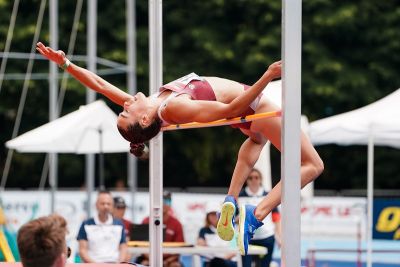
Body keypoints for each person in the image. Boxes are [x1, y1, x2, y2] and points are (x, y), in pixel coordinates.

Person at [36, 42, 323, 255]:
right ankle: (257, 213)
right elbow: (231, 109)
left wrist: (65, 64)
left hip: (249, 118)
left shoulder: (154, 101)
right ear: (144, 119)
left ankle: (231, 199)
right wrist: (268, 75)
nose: (125, 104)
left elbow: (100, 85)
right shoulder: (174, 106)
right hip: (255, 106)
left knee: (256, 140)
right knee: (312, 165)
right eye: (127, 112)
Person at [238, 168, 281, 267]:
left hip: (266, 237)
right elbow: (235, 219)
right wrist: (243, 218)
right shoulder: (240, 196)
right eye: (250, 178)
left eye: (256, 177)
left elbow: (276, 217)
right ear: (246, 180)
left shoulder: (268, 195)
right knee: (246, 265)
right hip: (247, 238)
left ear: (260, 179)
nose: (253, 180)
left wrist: (279, 236)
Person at [77, 190, 127, 263]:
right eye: (102, 203)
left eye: (108, 204)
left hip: (114, 264)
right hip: (93, 265)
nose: (105, 206)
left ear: (112, 206)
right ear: (96, 205)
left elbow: (123, 247)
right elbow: (82, 250)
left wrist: (119, 264)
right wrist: (96, 265)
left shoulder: (119, 224)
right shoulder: (86, 224)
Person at [136, 191, 184, 267]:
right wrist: (152, 259)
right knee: (143, 264)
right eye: (161, 201)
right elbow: (140, 245)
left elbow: (180, 248)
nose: (164, 204)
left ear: (170, 204)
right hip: (148, 258)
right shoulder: (146, 221)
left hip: (169, 260)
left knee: (175, 265)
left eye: (167, 201)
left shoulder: (176, 224)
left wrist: (167, 261)